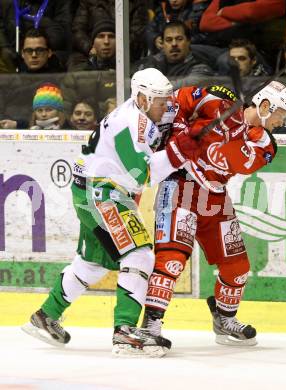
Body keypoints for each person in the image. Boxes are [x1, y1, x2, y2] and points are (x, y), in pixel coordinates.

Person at [21, 68, 181, 357]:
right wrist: (179, 155)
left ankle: (45, 316)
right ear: (143, 98)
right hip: (104, 194)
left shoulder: (138, 111)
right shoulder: (133, 124)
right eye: (161, 101)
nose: (166, 106)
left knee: (92, 262)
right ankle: (124, 332)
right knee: (139, 254)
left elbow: (163, 125)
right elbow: (140, 176)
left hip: (89, 190)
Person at [141, 81, 286, 349]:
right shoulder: (218, 99)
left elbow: (235, 160)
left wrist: (226, 131)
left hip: (215, 197)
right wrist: (180, 130)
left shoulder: (265, 144)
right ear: (266, 106)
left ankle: (224, 320)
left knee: (238, 267)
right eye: (281, 114)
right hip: (180, 184)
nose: (282, 122)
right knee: (172, 259)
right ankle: (151, 325)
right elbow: (178, 100)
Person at [134, 21, 214, 88]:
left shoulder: (201, 66)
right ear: (163, 43)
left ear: (188, 41)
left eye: (179, 39)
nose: (174, 44)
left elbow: (186, 88)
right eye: (169, 40)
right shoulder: (152, 62)